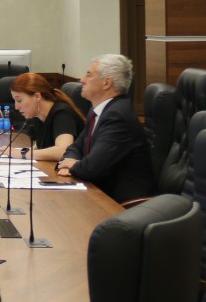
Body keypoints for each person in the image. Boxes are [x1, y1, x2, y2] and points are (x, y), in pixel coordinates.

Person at [56, 53, 157, 203]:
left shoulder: (118, 117)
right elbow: (76, 147)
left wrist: (74, 165)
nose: (82, 80)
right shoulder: (98, 111)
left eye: (89, 75)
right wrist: (69, 162)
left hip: (122, 204)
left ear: (106, 83)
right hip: (98, 193)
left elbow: (92, 168)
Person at [7, 72, 84, 162]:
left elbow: (63, 151)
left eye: (19, 100)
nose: (16, 107)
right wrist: (15, 152)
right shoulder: (39, 117)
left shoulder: (62, 114)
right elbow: (42, 146)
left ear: (37, 96)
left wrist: (22, 154)